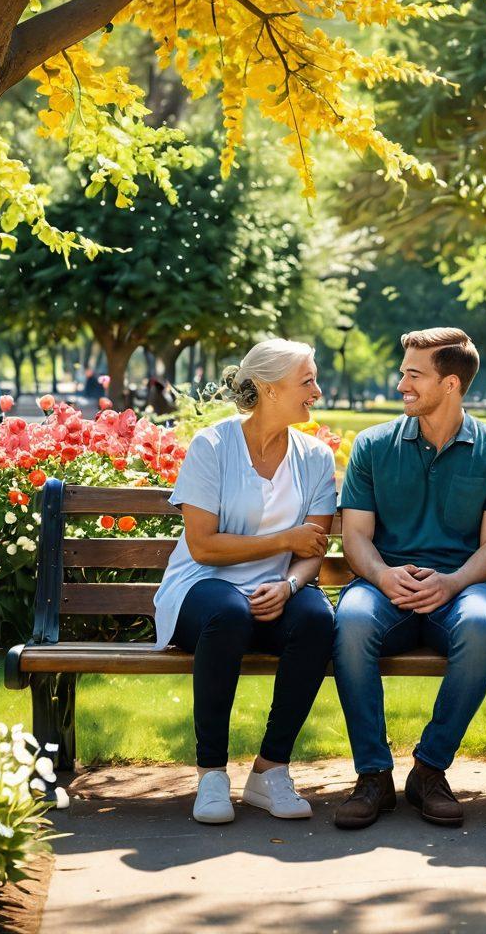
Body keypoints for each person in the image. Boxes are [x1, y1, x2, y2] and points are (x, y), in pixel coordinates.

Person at [333, 328, 486, 829]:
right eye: (403, 374)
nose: (402, 386)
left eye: (414, 375)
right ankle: (373, 775)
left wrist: (452, 583)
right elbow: (355, 537)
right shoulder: (372, 446)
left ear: (451, 384)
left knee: (483, 627)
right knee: (349, 622)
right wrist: (381, 574)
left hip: (460, 589)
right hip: (382, 587)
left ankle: (429, 770)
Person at [152, 339, 338, 825]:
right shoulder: (212, 446)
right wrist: (285, 541)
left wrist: (291, 587)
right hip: (203, 588)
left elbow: (311, 550)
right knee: (227, 611)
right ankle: (211, 772)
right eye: (307, 381)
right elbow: (204, 546)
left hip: (277, 592)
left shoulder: (316, 457)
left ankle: (270, 770)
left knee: (318, 618)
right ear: (270, 388)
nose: (317, 390)